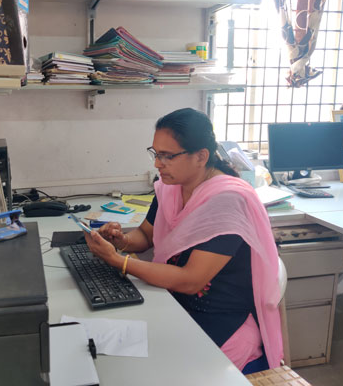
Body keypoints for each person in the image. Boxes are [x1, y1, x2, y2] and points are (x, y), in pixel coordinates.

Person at [84, 108, 283, 373]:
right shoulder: (172, 188)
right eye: (156, 154)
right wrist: (120, 241)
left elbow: (191, 280)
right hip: (175, 304)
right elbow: (145, 235)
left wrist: (118, 261)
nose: (158, 164)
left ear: (201, 156)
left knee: (144, 372)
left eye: (168, 156)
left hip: (220, 319)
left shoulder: (227, 201)